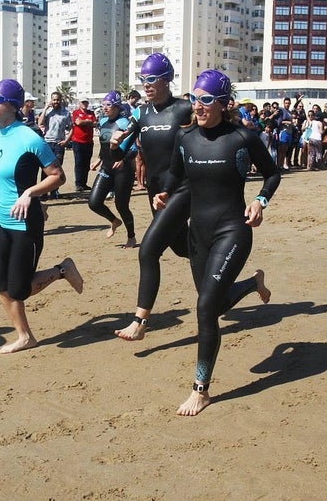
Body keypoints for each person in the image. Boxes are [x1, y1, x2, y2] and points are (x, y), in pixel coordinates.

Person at [152, 69, 279, 416]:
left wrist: (260, 201)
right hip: (199, 234)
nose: (198, 106)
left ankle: (201, 389)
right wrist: (165, 191)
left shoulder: (242, 138)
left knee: (206, 308)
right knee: (216, 304)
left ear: (224, 103)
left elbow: (272, 173)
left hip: (232, 230)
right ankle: (252, 283)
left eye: (206, 99)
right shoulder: (185, 137)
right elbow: (176, 173)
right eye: (195, 98)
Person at [0, 79, 84, 354]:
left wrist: (30, 193)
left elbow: (58, 176)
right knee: (1, 284)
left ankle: (62, 270)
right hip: (0, 222)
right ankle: (25, 336)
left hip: (25, 223)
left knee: (20, 289)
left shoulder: (30, 138)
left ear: (13, 106)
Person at [114, 53, 194, 341]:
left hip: (182, 189)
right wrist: (116, 145)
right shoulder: (142, 113)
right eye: (143, 79)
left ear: (167, 79)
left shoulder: (184, 109)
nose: (146, 84)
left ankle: (140, 322)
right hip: (155, 192)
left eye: (152, 79)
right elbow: (125, 144)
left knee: (148, 251)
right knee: (184, 248)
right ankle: (237, 283)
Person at [87, 91, 137, 247]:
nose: (105, 107)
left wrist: (123, 159)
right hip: (107, 167)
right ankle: (114, 221)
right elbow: (104, 146)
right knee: (94, 202)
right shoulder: (103, 122)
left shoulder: (124, 123)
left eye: (108, 105)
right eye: (103, 104)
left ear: (116, 106)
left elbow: (134, 149)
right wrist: (98, 160)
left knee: (121, 205)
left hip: (124, 169)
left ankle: (131, 237)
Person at [70, 99, 96, 191]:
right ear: (79, 103)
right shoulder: (76, 112)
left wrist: (84, 122)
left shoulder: (91, 113)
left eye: (86, 102)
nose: (85, 104)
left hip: (88, 141)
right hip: (78, 141)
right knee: (79, 163)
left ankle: (84, 183)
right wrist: (89, 121)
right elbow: (78, 122)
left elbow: (95, 124)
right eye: (83, 102)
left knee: (86, 163)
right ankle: (78, 183)